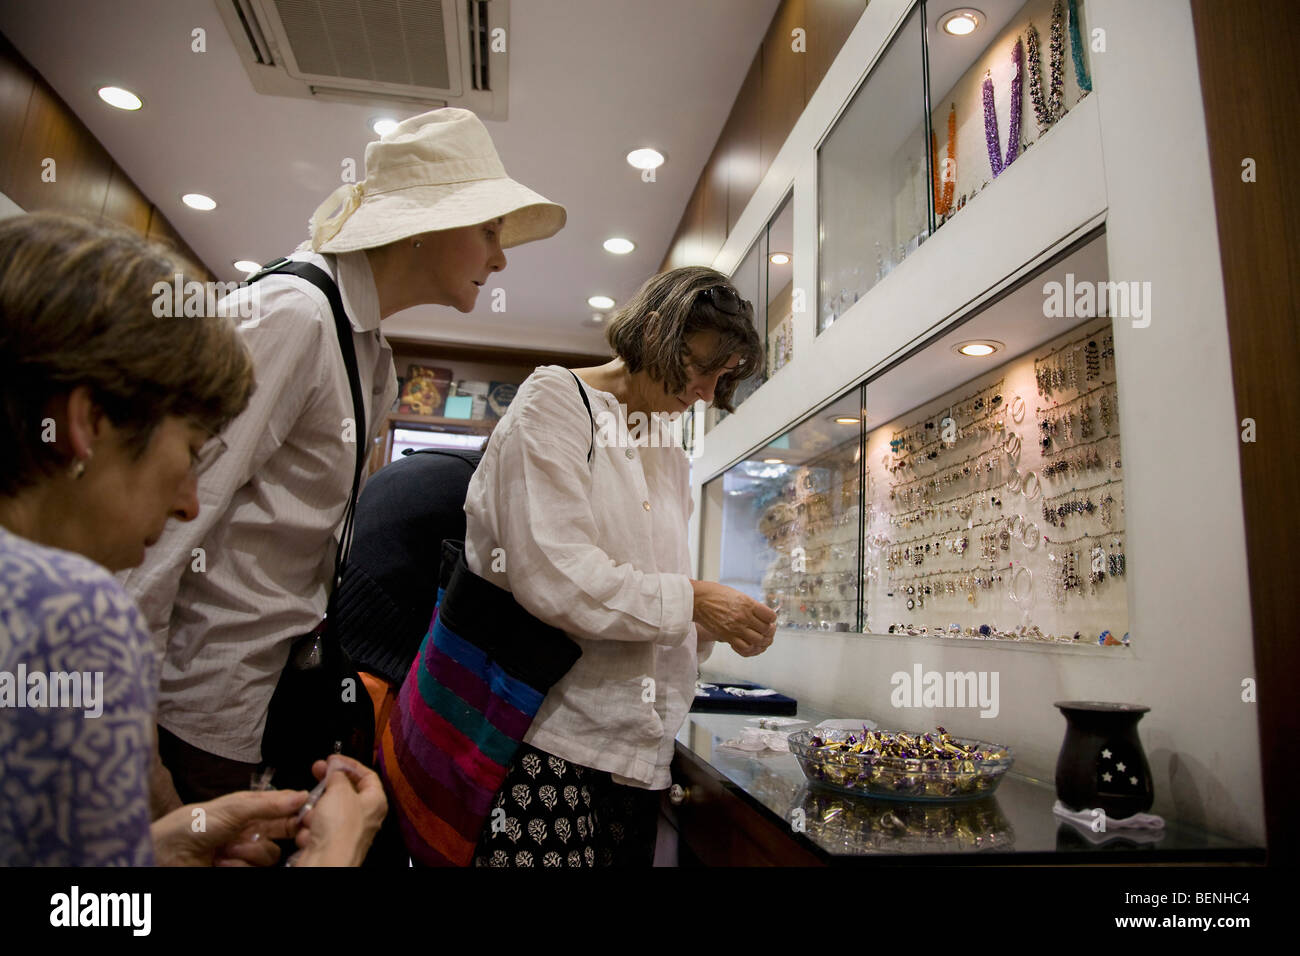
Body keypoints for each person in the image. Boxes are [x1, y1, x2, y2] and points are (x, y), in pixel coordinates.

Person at [121, 108, 565, 804]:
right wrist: (131, 744)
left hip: (261, 708)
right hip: (192, 715)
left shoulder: (369, 352)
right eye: (488, 230)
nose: (500, 257)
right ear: (427, 225)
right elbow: (157, 533)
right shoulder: (292, 316)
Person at [0, 212, 383, 866]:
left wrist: (164, 846)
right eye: (189, 452)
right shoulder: (71, 617)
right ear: (89, 422)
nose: (187, 504)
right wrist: (333, 856)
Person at [458, 266, 778, 867]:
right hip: (551, 741)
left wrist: (718, 623)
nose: (708, 393)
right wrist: (695, 601)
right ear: (656, 330)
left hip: (638, 755)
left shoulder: (668, 451)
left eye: (722, 378)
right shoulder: (554, 401)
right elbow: (557, 576)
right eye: (703, 367)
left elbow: (647, 591)